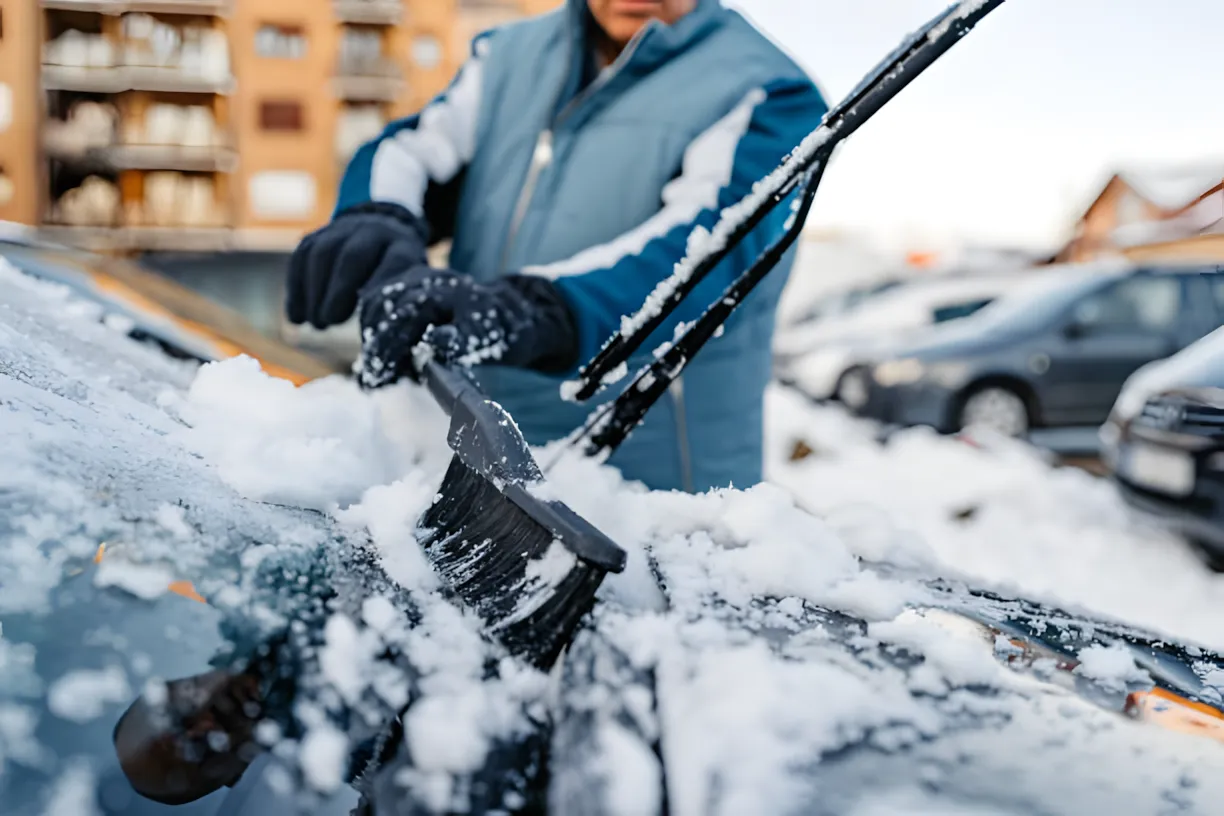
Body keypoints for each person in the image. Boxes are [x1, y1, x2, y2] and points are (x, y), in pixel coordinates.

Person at [285, 0, 827, 494]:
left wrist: (529, 309)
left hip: (657, 492)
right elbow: (414, 149)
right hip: (486, 468)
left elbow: (707, 251)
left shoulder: (767, 90)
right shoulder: (507, 56)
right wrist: (379, 215)